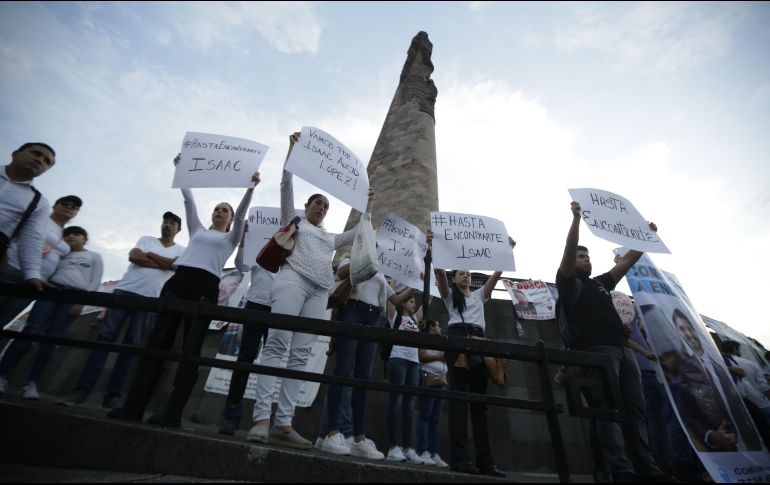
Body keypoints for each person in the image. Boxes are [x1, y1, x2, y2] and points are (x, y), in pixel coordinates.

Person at [108, 154, 260, 428]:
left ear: (230, 218)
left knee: (191, 350)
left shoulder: (231, 237)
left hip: (205, 288)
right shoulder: (197, 230)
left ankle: (172, 413)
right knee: (156, 344)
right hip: (178, 284)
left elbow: (241, 216)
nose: (219, 212)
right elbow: (189, 201)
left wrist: (250, 188)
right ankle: (133, 407)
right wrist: (181, 170)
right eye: (217, 209)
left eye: (225, 210)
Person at [247, 132, 373, 449]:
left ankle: (283, 423)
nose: (322, 207)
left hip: (319, 292)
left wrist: (368, 203)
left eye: (326, 206)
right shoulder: (296, 221)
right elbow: (285, 186)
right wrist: (291, 152)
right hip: (292, 280)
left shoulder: (329, 238)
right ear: (307, 206)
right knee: (277, 343)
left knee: (300, 355)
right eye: (318, 202)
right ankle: (261, 419)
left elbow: (358, 231)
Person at [556, 201, 667, 483]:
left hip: (624, 352)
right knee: (607, 410)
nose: (586, 259)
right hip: (598, 353)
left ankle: (647, 468)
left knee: (636, 410)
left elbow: (627, 262)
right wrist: (576, 221)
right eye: (581, 256)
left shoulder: (600, 283)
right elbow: (569, 250)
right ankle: (621, 469)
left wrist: (645, 237)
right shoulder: (567, 283)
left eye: (588, 256)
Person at [57, 212, 185, 409]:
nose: (167, 225)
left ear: (179, 229)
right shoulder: (147, 239)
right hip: (124, 291)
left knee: (132, 346)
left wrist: (149, 255)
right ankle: (82, 390)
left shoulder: (181, 250)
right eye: (165, 221)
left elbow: (173, 266)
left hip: (150, 299)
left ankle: (113, 396)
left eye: (172, 223)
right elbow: (134, 257)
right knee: (104, 338)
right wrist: (162, 262)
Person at [431, 231, 515, 478]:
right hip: (458, 341)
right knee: (458, 401)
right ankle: (460, 459)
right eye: (461, 273)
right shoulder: (449, 297)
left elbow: (496, 275)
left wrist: (507, 250)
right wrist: (435, 249)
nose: (466, 275)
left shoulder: (479, 295)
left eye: (468, 273)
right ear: (454, 279)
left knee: (480, 405)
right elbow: (439, 273)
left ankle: (486, 462)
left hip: (480, 344)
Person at [319, 259, 412, 459]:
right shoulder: (352, 259)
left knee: (363, 378)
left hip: (373, 317)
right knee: (342, 371)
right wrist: (365, 258)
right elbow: (341, 274)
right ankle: (332, 432)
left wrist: (416, 284)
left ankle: (359, 437)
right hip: (352, 310)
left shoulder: (380, 273)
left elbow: (396, 301)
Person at [0, 226, 103, 398]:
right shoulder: (61, 254)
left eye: (76, 234)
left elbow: (96, 280)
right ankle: (2, 374)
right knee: (30, 331)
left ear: (84, 239)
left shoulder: (94, 256)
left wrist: (82, 303)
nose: (71, 237)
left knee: (53, 339)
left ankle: (31, 383)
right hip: (51, 291)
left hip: (74, 296)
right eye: (67, 234)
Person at [668, 308, 761, 451]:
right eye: (682, 329)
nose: (688, 333)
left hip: (747, 435)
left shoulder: (719, 364)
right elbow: (686, 414)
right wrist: (710, 435)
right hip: (722, 446)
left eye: (689, 328)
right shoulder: (683, 370)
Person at [217, 223, 276, 435]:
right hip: (256, 306)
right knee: (244, 359)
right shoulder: (261, 249)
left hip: (280, 310)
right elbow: (241, 265)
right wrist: (243, 242)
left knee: (273, 365)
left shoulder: (294, 254)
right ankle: (231, 415)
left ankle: (265, 420)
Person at [0, 195, 81, 327]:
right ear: (54, 206)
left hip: (38, 282)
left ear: (76, 213)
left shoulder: (66, 234)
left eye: (74, 207)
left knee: (5, 318)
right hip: (13, 269)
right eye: (65, 204)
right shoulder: (39, 218)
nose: (69, 208)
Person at [0, 143, 56, 300]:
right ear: (15, 153)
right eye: (36, 153)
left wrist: (32, 273)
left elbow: (32, 238)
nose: (39, 160)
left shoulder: (39, 202)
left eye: (46, 161)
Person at [382, 292, 426, 464]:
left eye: (415, 302)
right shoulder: (395, 317)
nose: (414, 304)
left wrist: (430, 281)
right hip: (398, 360)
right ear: (402, 303)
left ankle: (408, 448)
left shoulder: (414, 319)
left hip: (414, 364)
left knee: (409, 406)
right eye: (411, 301)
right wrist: (398, 283)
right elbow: (390, 297)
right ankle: (393, 446)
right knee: (396, 402)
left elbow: (427, 301)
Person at [416, 319, 449, 468]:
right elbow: (421, 356)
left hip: (441, 380)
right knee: (425, 415)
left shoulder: (441, 342)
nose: (440, 328)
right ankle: (423, 450)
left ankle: (433, 452)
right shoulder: (425, 339)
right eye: (438, 325)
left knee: (435, 418)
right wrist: (439, 357)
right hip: (428, 378)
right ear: (431, 327)